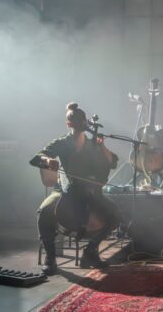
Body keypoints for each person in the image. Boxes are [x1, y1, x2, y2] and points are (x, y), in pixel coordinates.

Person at [30, 102, 121, 275]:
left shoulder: (93, 144)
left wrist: (102, 145)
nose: (79, 123)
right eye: (74, 120)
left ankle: (90, 251)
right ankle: (51, 258)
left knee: (115, 214)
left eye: (82, 120)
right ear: (68, 123)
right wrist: (48, 161)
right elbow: (36, 158)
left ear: (85, 122)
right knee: (44, 211)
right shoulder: (61, 143)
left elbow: (112, 162)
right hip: (64, 191)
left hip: (90, 191)